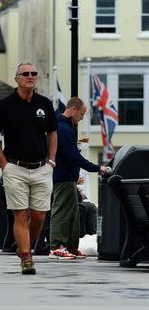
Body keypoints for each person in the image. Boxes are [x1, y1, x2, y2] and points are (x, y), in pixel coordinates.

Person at [0, 62, 57, 275]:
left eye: (33, 73)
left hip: (41, 168)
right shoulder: (4, 105)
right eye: (25, 74)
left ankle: (23, 246)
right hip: (15, 168)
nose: (30, 76)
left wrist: (51, 161)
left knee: (39, 217)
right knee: (20, 215)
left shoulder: (44, 104)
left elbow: (52, 133)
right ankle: (27, 258)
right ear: (16, 78)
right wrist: (3, 163)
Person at [48, 97, 110, 260]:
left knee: (72, 213)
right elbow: (74, 157)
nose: (82, 118)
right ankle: (57, 247)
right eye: (81, 114)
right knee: (62, 211)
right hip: (62, 177)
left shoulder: (66, 126)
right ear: (73, 109)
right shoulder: (63, 128)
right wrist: (98, 168)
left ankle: (70, 247)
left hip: (68, 177)